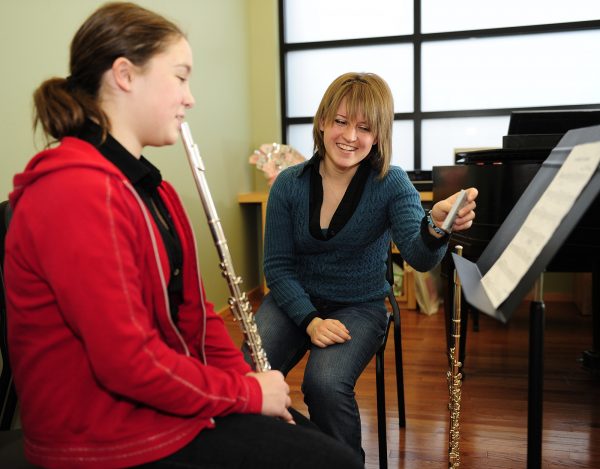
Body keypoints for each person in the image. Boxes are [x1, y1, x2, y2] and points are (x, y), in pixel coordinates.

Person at [3, 3, 363, 469]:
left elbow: (200, 319)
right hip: (105, 440)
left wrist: (256, 391)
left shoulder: (154, 190)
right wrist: (246, 393)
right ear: (125, 75)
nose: (190, 97)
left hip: (164, 409)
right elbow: (128, 362)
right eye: (179, 77)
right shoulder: (73, 192)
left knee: (321, 445)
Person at [244, 71, 478, 459]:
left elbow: (419, 258)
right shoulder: (288, 184)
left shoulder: (392, 183)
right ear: (322, 122)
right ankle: (283, 452)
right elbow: (278, 269)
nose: (350, 136)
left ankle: (341, 461)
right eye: (340, 121)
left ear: (378, 135)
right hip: (295, 301)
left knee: (323, 384)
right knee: (247, 374)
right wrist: (310, 320)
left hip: (360, 305)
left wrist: (436, 226)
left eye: (364, 127)